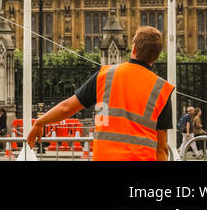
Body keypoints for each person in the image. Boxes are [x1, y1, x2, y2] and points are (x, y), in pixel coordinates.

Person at [26, 25, 173, 161]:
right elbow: (161, 148)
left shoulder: (105, 75)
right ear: (157, 55)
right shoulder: (161, 89)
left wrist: (40, 122)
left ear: (133, 49)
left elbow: (66, 108)